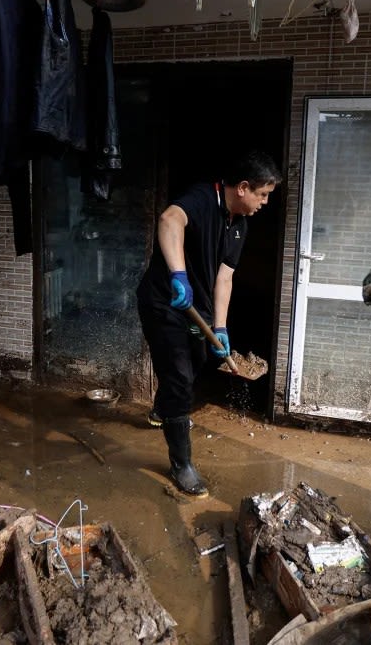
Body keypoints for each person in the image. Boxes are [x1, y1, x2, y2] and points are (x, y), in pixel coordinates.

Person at [136, 150, 282, 497]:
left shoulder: (240, 226)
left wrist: (220, 327)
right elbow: (170, 220)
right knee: (180, 378)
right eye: (263, 194)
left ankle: (163, 405)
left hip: (197, 310)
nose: (264, 202)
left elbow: (225, 279)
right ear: (243, 188)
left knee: (200, 360)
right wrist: (178, 275)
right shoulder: (203, 197)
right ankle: (181, 464)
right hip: (166, 302)